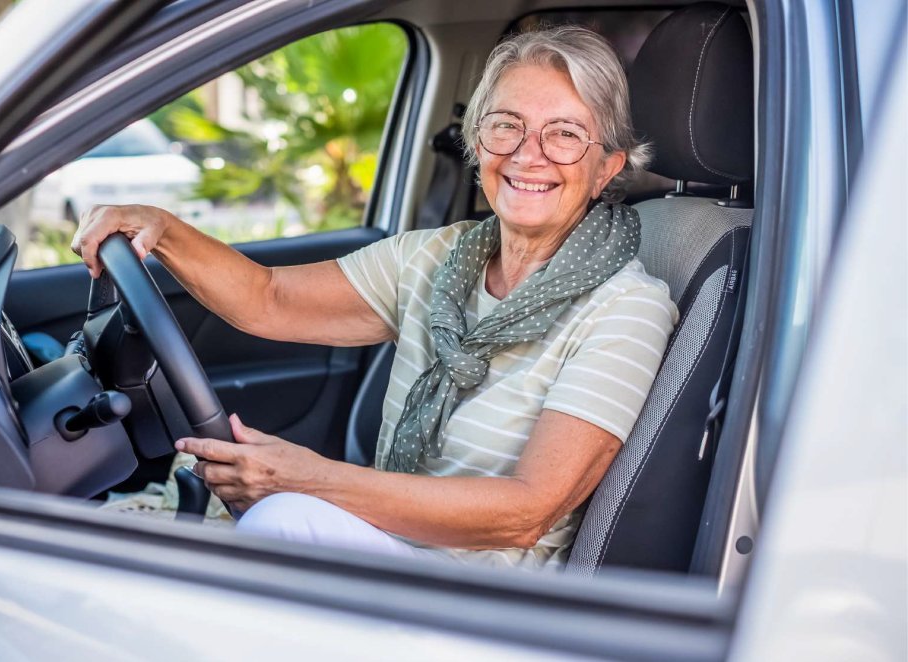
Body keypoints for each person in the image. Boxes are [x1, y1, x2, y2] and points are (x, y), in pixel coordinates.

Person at [72, 26, 678, 569]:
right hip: (393, 547)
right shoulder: (441, 256)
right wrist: (161, 227)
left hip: (488, 601)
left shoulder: (626, 308)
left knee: (279, 523)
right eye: (506, 125)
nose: (527, 153)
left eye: (565, 134)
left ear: (606, 168)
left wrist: (311, 482)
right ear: (477, 140)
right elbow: (270, 298)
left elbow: (525, 514)